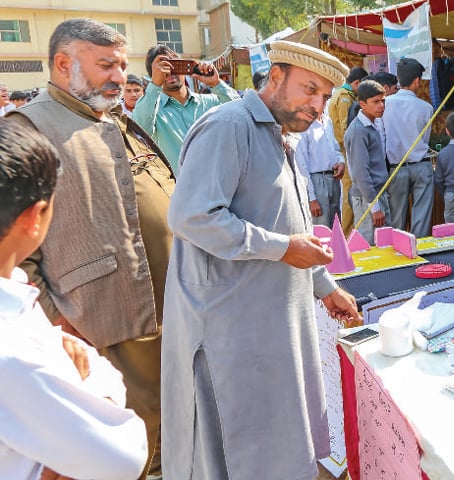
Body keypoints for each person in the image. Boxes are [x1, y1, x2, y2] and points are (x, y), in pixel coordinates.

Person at [162, 40, 360, 480]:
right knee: (233, 455)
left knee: (274, 450)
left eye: (325, 97)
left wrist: (324, 286)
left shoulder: (274, 133)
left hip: (269, 327)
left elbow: (277, 221)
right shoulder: (229, 125)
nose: (317, 105)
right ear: (275, 77)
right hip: (229, 331)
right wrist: (286, 248)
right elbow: (193, 216)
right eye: (309, 89)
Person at [6, 18, 174, 479]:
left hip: (162, 311)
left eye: (122, 65)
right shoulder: (30, 128)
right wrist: (58, 327)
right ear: (63, 64)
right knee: (125, 449)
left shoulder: (109, 115)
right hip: (96, 327)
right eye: (106, 65)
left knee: (166, 438)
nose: (120, 76)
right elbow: (17, 249)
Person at [0, 119, 149, 480]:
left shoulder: (16, 294)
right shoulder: (14, 350)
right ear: (34, 217)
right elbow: (123, 457)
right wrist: (93, 382)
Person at [132, 44, 240, 171]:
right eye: (164, 69)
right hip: (179, 188)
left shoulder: (210, 102)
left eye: (175, 66)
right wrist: (155, 84)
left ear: (183, 69)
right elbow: (140, 130)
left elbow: (241, 116)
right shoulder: (153, 112)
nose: (171, 73)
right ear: (154, 75)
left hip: (219, 184)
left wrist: (216, 84)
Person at [383, 57, 435, 237]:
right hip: (421, 165)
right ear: (417, 81)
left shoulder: (384, 105)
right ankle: (419, 248)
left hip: (395, 168)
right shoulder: (426, 108)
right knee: (421, 215)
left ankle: (398, 250)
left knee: (396, 217)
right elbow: (425, 139)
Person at [344, 80, 390, 244]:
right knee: (369, 247)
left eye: (383, 101)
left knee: (383, 245)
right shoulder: (359, 131)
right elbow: (360, 173)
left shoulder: (372, 124)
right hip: (367, 199)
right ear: (362, 104)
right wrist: (374, 207)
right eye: (376, 102)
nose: (381, 105)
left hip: (377, 194)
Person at [329, 66, 369, 234]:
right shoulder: (345, 97)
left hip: (344, 150)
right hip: (346, 152)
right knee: (349, 196)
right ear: (357, 83)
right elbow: (347, 126)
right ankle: (346, 235)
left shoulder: (341, 94)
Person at [295, 110, 345, 227]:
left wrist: (341, 162)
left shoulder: (327, 121)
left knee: (336, 226)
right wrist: (311, 198)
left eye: (325, 98)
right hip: (316, 180)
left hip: (332, 177)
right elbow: (302, 164)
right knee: (321, 227)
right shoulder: (303, 123)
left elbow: (335, 147)